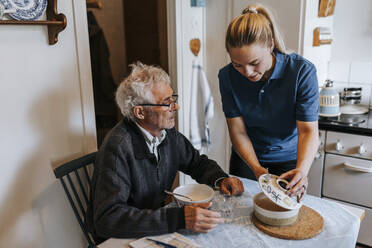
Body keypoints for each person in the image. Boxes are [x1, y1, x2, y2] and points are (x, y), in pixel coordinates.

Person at [87, 62, 244, 241]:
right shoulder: (117, 147)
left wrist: (221, 179)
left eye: (173, 99)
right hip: (120, 236)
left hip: (154, 222)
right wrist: (179, 218)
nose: (175, 107)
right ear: (139, 112)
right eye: (166, 102)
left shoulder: (167, 133)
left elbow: (196, 163)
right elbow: (108, 219)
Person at [218, 3, 319, 201]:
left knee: (285, 214)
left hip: (290, 160)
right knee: (240, 212)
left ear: (271, 46)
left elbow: (308, 130)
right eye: (237, 64)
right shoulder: (227, 76)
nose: (247, 72)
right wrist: (256, 168)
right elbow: (237, 131)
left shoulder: (301, 72)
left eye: (254, 63)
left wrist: (302, 171)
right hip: (247, 159)